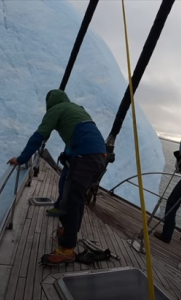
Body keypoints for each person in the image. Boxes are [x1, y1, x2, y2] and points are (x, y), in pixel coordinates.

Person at [8, 89, 107, 264]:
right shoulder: (77, 109)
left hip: (84, 158)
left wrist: (22, 159)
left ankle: (66, 250)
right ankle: (70, 230)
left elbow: (39, 136)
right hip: (100, 158)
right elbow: (79, 136)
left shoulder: (56, 109)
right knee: (77, 199)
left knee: (69, 202)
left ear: (49, 103)